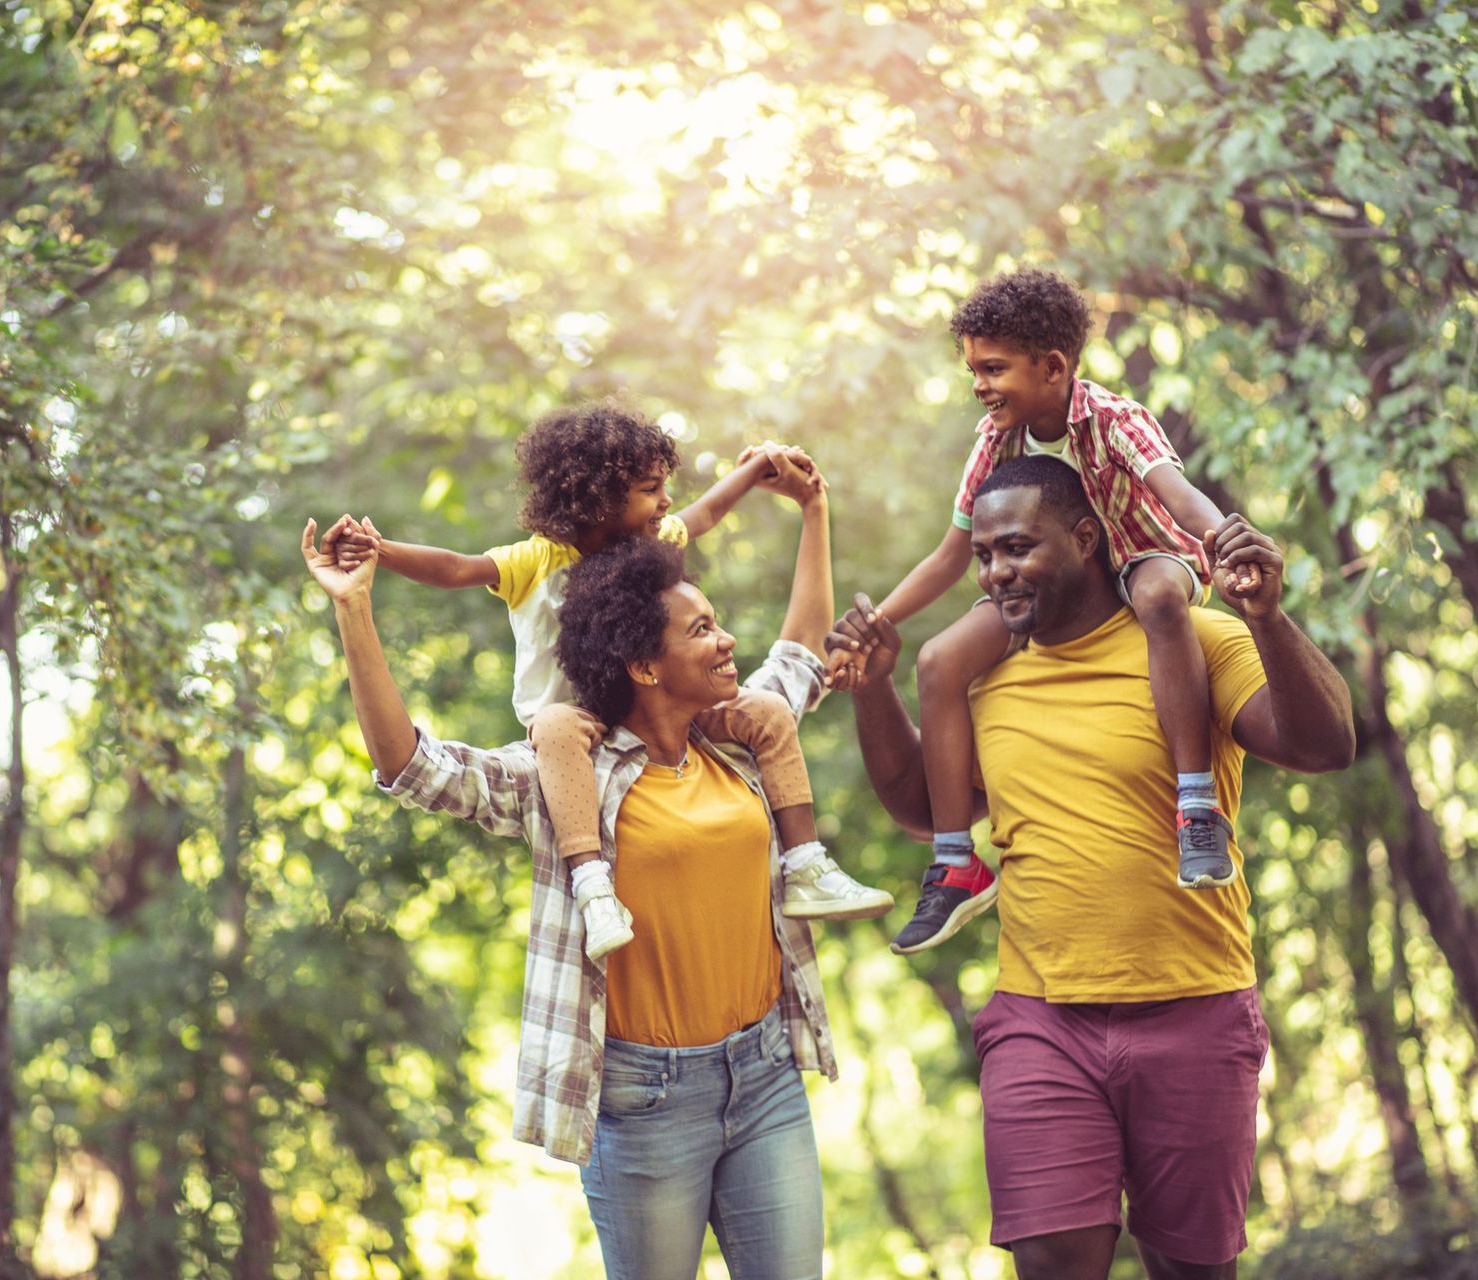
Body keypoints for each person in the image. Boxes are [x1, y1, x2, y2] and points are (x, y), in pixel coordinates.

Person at [301, 480, 843, 1279]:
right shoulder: (567, 778)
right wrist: (353, 608)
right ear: (644, 666)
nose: (727, 641)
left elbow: (802, 654)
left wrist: (816, 512)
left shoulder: (741, 740)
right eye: (702, 630)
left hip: (764, 1079)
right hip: (644, 1101)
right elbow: (411, 764)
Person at [831, 455, 1354, 1280]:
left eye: (1017, 548)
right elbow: (925, 810)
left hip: (1196, 1008)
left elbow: (1325, 746)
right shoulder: (985, 676)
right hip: (1043, 1019)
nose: (997, 572)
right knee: (1049, 1261)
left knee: (1192, 1269)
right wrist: (872, 688)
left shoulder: (1191, 641)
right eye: (986, 556)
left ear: (1084, 538)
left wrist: (1268, 620)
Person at [337, 400, 888, 963]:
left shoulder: (654, 556)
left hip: (645, 709)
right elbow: (456, 569)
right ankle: (593, 887)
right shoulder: (539, 559)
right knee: (556, 725)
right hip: (571, 729)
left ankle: (806, 864)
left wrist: (765, 473)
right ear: (599, 497)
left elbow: (707, 517)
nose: (666, 501)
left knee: (768, 710)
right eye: (651, 489)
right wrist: (378, 555)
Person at [828, 269, 1247, 955]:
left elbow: (1177, 494)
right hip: (1051, 585)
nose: (979, 385)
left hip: (1142, 557)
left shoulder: (1115, 420)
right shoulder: (996, 440)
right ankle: (957, 860)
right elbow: (950, 555)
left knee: (1161, 596)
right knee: (938, 661)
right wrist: (881, 623)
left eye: (993, 368)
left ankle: (1197, 805)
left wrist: (1226, 539)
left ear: (1053, 368)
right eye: (973, 370)